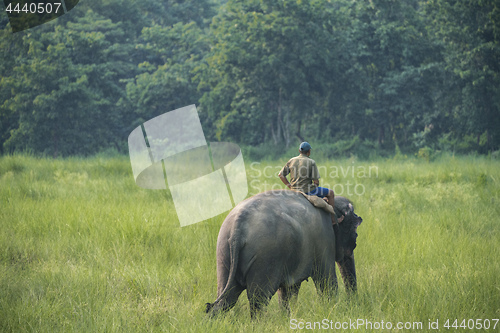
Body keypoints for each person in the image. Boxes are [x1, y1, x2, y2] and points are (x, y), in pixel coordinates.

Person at [278, 142, 339, 225]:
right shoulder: (311, 162)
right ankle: (333, 220)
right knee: (330, 193)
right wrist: (315, 185)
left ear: (299, 150)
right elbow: (316, 182)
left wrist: (289, 186)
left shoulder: (291, 160)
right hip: (308, 191)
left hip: (294, 191)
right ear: (309, 151)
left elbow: (281, 175)